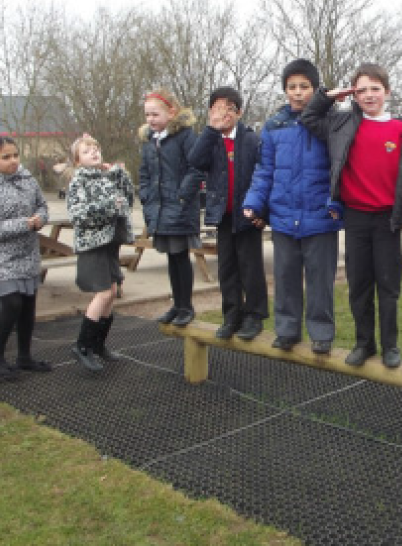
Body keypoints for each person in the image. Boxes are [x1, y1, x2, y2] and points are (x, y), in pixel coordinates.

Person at [304, 62, 402, 369]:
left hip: (388, 220)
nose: (369, 95)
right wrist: (329, 95)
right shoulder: (342, 124)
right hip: (355, 218)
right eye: (361, 90)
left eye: (375, 89)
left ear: (387, 91)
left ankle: (390, 346)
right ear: (353, 94)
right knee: (359, 285)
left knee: (387, 286)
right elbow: (309, 117)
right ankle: (364, 343)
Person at [243, 59, 342, 354]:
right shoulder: (273, 126)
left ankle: (321, 333)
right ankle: (287, 329)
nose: (297, 93)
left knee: (320, 280)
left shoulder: (330, 123)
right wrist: (254, 203)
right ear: (285, 90)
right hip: (284, 217)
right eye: (291, 87)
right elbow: (264, 170)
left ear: (315, 89)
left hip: (320, 217)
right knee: (285, 277)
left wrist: (335, 204)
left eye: (304, 87)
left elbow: (341, 167)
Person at [189, 87, 268, 341]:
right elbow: (196, 161)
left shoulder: (251, 139)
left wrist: (262, 211)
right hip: (221, 216)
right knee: (227, 269)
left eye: (228, 109)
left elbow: (265, 175)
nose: (223, 115)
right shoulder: (210, 140)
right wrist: (211, 130)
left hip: (247, 216)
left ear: (239, 112)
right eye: (217, 109)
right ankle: (231, 315)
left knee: (251, 268)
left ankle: (254, 316)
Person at [0, 137, 51, 379]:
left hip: (27, 255)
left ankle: (25, 356)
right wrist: (21, 225)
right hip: (0, 260)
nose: (13, 161)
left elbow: (43, 206)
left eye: (15, 155)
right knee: (11, 305)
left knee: (27, 306)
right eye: (6, 157)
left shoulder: (28, 181)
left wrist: (40, 219)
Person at [65, 134, 135, 372]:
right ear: (77, 161)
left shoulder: (106, 178)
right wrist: (108, 207)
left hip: (110, 243)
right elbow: (78, 214)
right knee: (103, 294)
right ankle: (82, 346)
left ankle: (98, 344)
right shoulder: (79, 182)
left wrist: (119, 174)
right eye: (86, 151)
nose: (94, 153)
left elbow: (127, 199)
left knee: (112, 291)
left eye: (96, 148)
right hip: (92, 245)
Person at [138, 88, 203, 327]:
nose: (150, 119)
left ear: (171, 112)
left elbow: (196, 168)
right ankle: (177, 304)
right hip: (160, 208)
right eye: (147, 115)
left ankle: (186, 306)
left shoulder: (185, 136)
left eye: (155, 114)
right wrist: (145, 196)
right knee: (171, 258)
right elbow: (144, 173)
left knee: (180, 256)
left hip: (179, 206)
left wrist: (183, 196)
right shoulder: (149, 141)